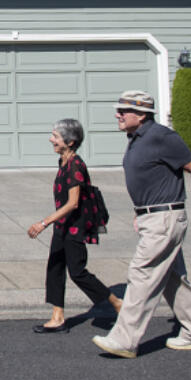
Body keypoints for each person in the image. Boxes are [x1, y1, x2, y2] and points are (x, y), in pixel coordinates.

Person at [92, 90, 191, 359]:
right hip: (152, 217)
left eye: (123, 111)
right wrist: (140, 213)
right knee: (173, 279)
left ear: (141, 115)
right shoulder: (138, 138)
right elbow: (149, 179)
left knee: (141, 274)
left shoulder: (162, 136)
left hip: (165, 218)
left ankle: (124, 340)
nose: (117, 115)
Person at [27, 118, 122, 333]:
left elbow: (73, 203)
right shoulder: (64, 161)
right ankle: (57, 316)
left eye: (56, 136)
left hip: (74, 227)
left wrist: (44, 223)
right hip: (62, 225)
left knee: (77, 272)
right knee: (55, 268)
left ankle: (118, 304)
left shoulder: (76, 166)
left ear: (70, 142)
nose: (51, 139)